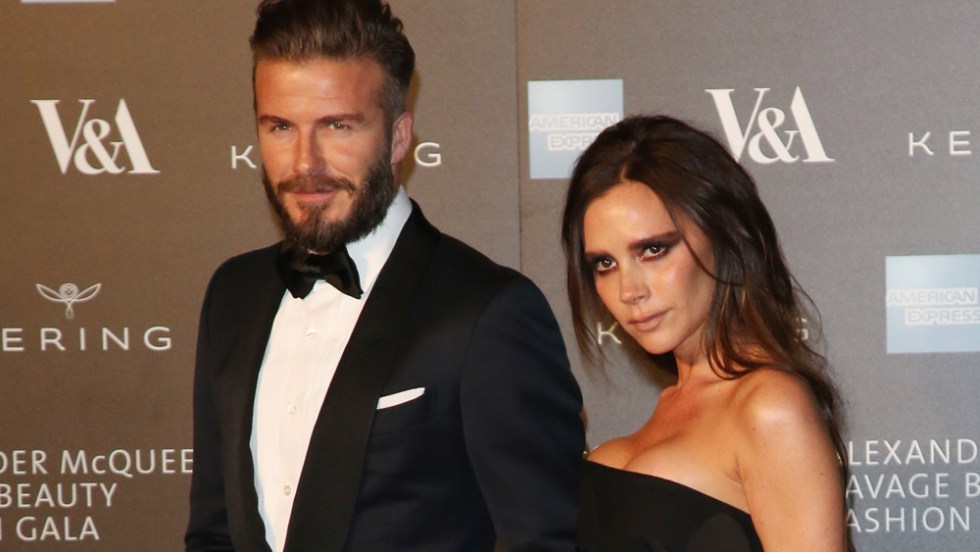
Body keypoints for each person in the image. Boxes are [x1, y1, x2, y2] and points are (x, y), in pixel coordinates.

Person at [185, 1, 584, 550]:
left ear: (399, 137)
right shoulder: (232, 296)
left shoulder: (487, 313)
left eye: (337, 126)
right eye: (280, 127)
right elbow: (214, 533)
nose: (304, 163)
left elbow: (545, 541)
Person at [562, 115, 849, 551]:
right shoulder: (672, 405)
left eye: (653, 250)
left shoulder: (769, 406)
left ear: (725, 235)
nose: (629, 291)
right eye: (605, 263)